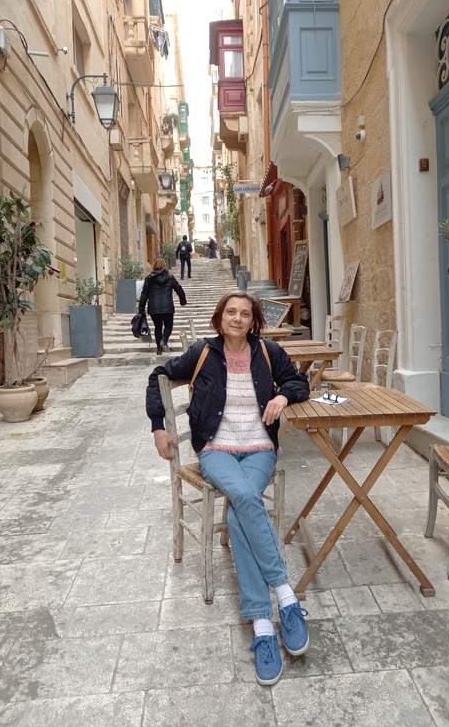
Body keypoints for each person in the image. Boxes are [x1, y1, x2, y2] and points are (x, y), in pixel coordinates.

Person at [146, 291, 310, 686]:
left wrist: (283, 396)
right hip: (216, 451)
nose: (237, 319)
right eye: (230, 312)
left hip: (259, 450)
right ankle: (285, 595)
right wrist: (158, 427)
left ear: (254, 321)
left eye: (245, 314)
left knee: (240, 509)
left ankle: (262, 626)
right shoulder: (203, 352)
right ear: (219, 318)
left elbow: (299, 381)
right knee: (246, 499)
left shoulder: (268, 351)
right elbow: (158, 375)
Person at [139, 258, 187, 355]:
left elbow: (144, 294)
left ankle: (159, 349)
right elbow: (179, 289)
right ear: (164, 266)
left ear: (154, 266)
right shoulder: (170, 277)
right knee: (168, 325)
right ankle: (164, 340)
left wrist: (141, 308)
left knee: (158, 327)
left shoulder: (149, 278)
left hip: (154, 308)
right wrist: (183, 301)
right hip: (167, 307)